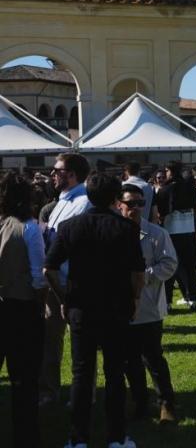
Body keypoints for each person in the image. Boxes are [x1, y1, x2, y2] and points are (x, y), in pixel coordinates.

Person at [44, 173, 145, 448]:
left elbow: (49, 268)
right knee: (115, 373)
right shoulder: (126, 228)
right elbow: (137, 272)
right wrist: (135, 298)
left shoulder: (70, 226)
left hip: (81, 306)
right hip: (116, 307)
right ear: (115, 197)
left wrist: (64, 297)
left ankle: (78, 438)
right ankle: (116, 437)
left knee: (81, 374)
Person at [118, 184, 178, 424]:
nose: (135, 208)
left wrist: (145, 276)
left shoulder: (156, 234)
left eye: (140, 204)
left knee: (153, 358)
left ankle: (166, 403)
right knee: (128, 360)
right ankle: (140, 402)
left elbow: (170, 263)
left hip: (148, 306)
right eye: (130, 203)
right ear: (119, 205)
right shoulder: (113, 232)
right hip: (121, 307)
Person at [41, 152, 92, 407]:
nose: (52, 174)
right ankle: (50, 391)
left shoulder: (84, 203)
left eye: (57, 170)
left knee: (81, 345)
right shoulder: (62, 201)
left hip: (75, 283)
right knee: (51, 341)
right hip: (54, 282)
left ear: (71, 174)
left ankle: (83, 394)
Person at [0, 173, 47, 447]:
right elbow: (38, 276)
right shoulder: (29, 228)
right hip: (21, 308)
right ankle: (26, 437)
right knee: (25, 379)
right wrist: (42, 303)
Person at [156, 161, 196, 309]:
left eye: (167, 171)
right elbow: (195, 207)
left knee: (169, 266)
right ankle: (192, 298)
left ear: (170, 171)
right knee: (189, 267)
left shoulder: (165, 189)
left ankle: (167, 301)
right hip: (188, 230)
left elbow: (161, 212)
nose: (166, 174)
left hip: (171, 231)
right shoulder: (190, 188)